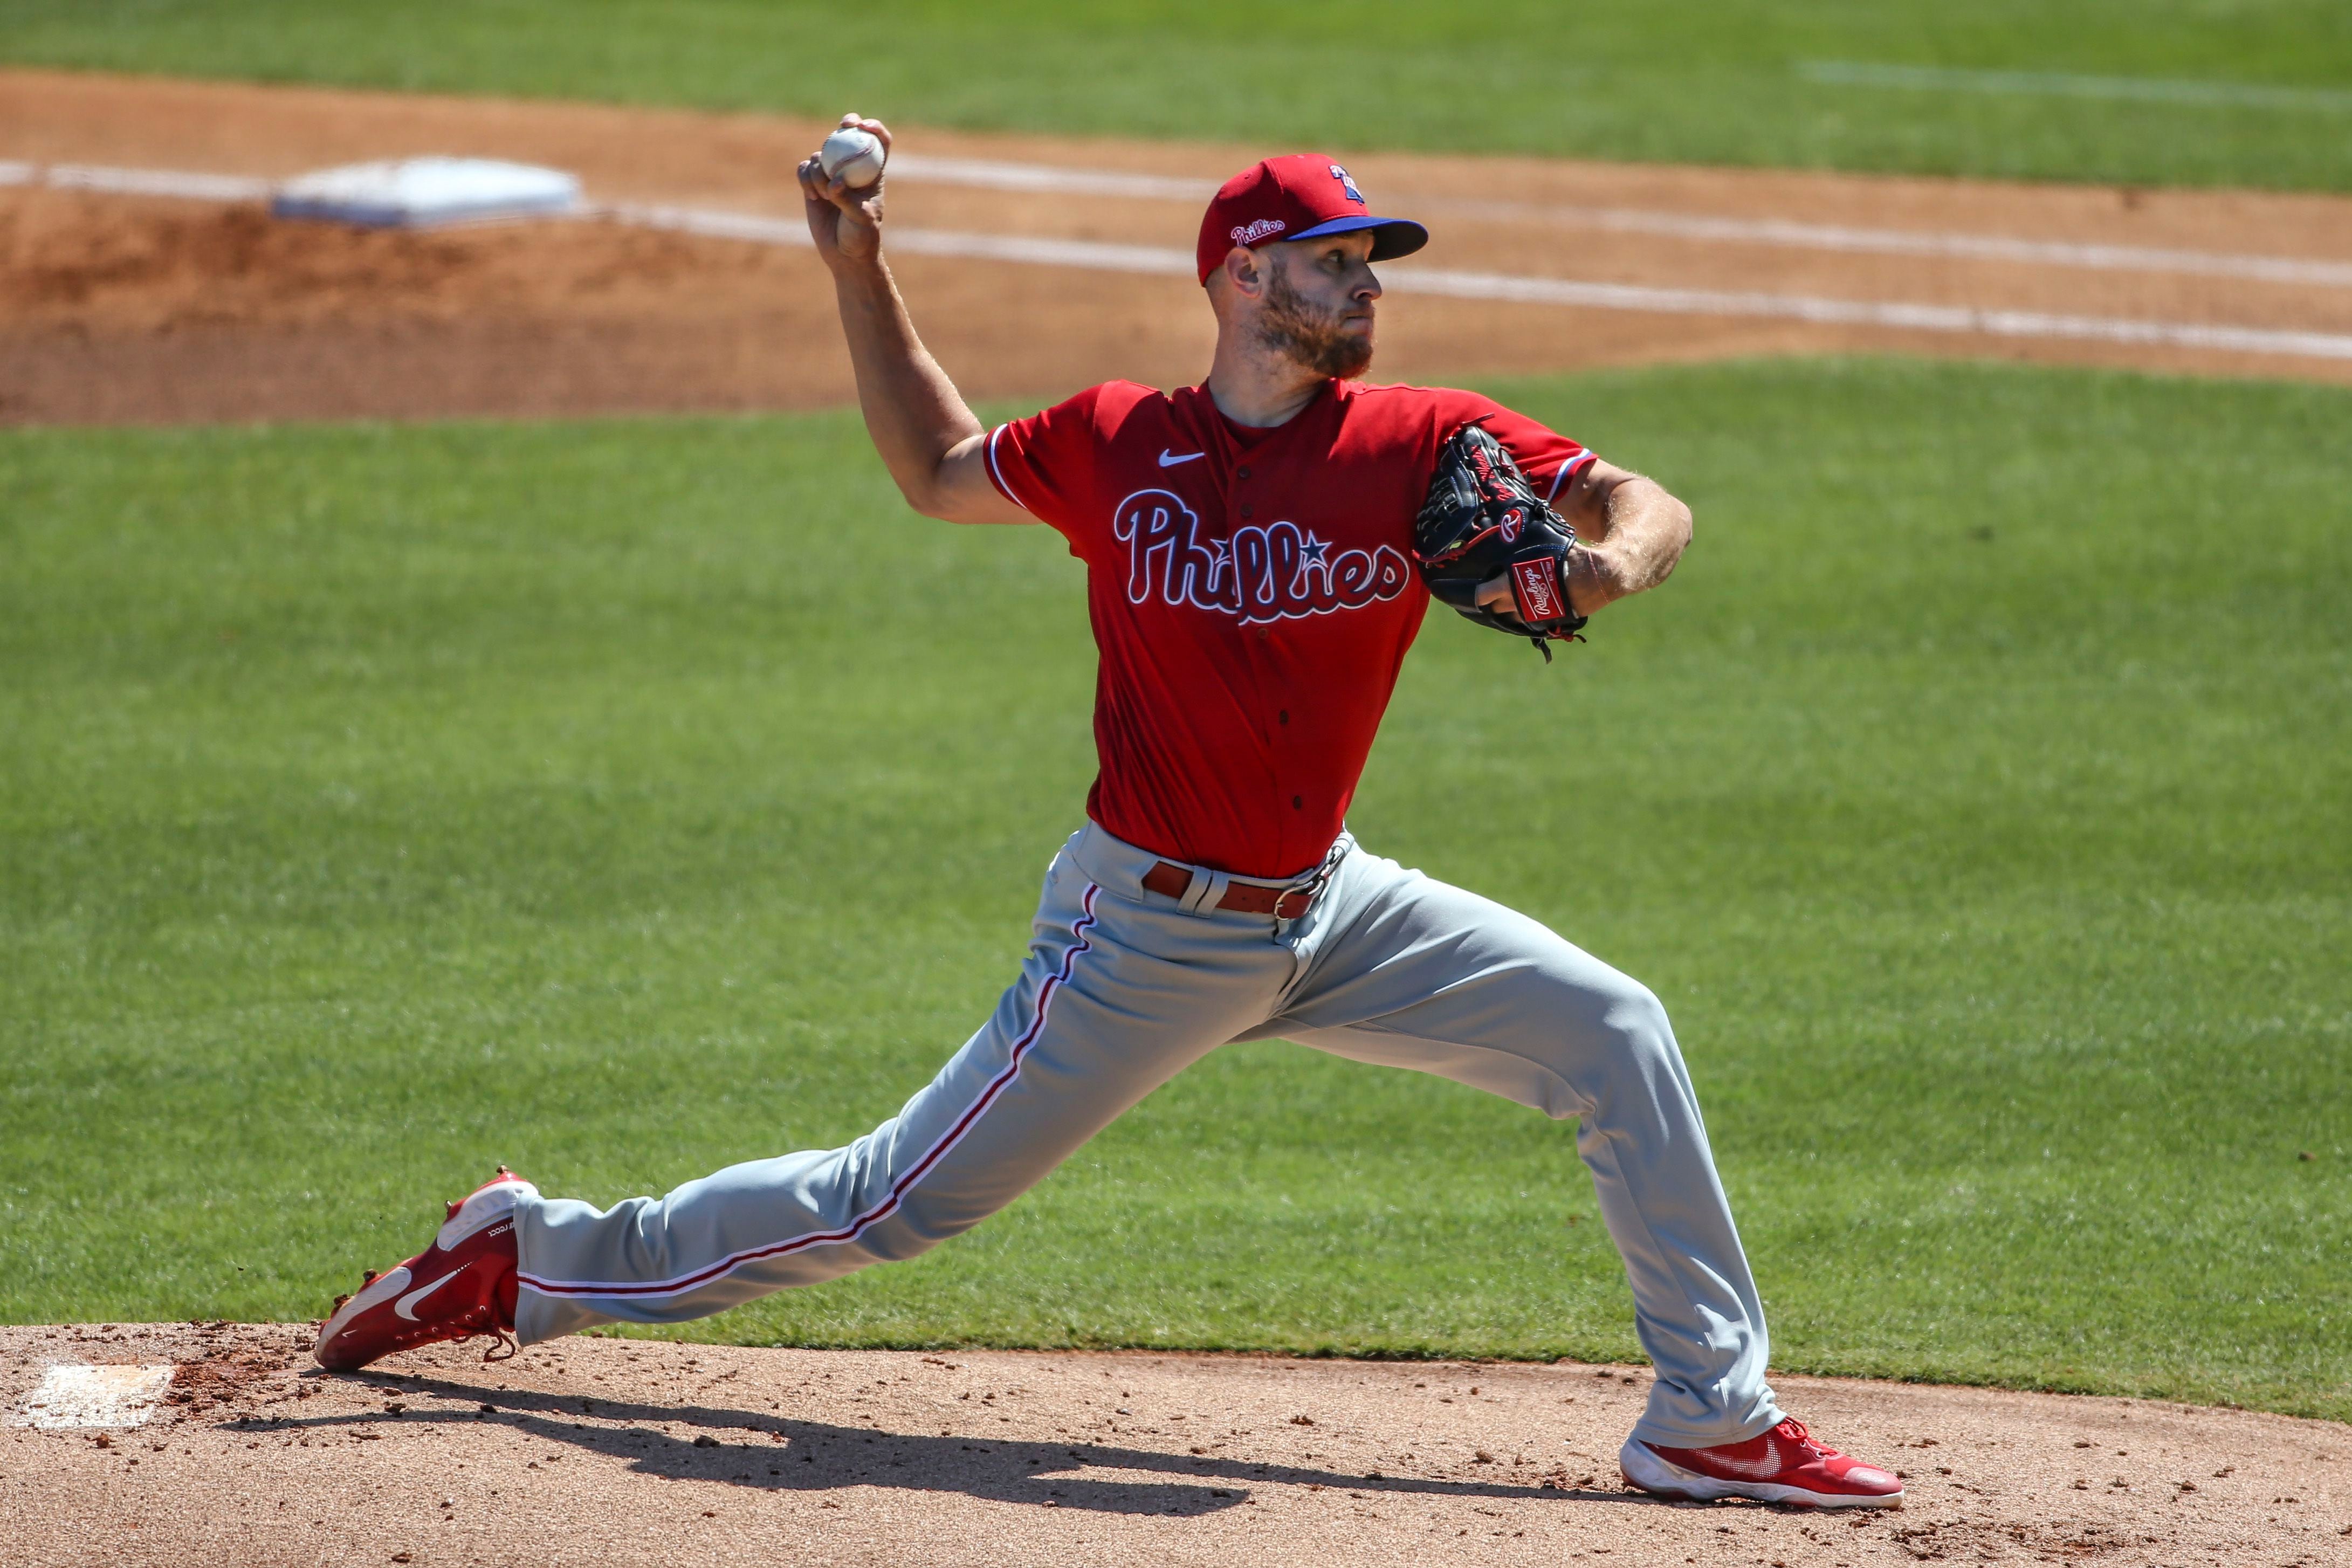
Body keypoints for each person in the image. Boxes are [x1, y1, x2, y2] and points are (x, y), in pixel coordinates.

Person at [314, 115, 1902, 1510]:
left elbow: (1637, 497)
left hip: (1332, 908)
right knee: (888, 1203)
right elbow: (938, 466)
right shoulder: (1116, 443)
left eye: (1373, 267)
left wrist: (1617, 560)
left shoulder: (1424, 438)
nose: (1367, 290)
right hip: (1140, 931)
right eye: (1335, 262)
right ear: (1241, 276)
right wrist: (856, 267)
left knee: (1611, 1027)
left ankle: (1709, 1414)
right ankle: (535, 1250)